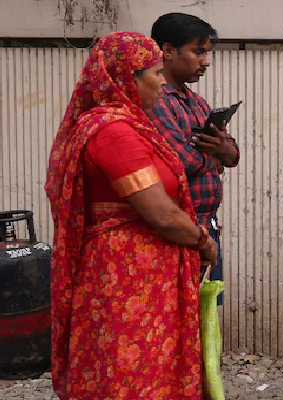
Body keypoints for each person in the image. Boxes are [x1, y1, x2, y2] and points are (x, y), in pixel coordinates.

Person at [44, 31, 217, 399]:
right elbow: (161, 214)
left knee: (152, 369)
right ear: (127, 79)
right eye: (154, 72)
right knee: (131, 374)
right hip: (125, 276)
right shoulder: (113, 133)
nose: (160, 80)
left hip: (143, 274)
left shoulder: (130, 126)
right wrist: (203, 241)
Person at [146, 12, 240, 306]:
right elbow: (178, 161)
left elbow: (233, 153)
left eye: (206, 53)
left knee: (204, 315)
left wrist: (222, 149)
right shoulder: (155, 99)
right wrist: (214, 158)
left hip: (206, 227)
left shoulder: (197, 103)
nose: (205, 62)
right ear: (168, 51)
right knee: (178, 316)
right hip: (176, 231)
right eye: (197, 52)